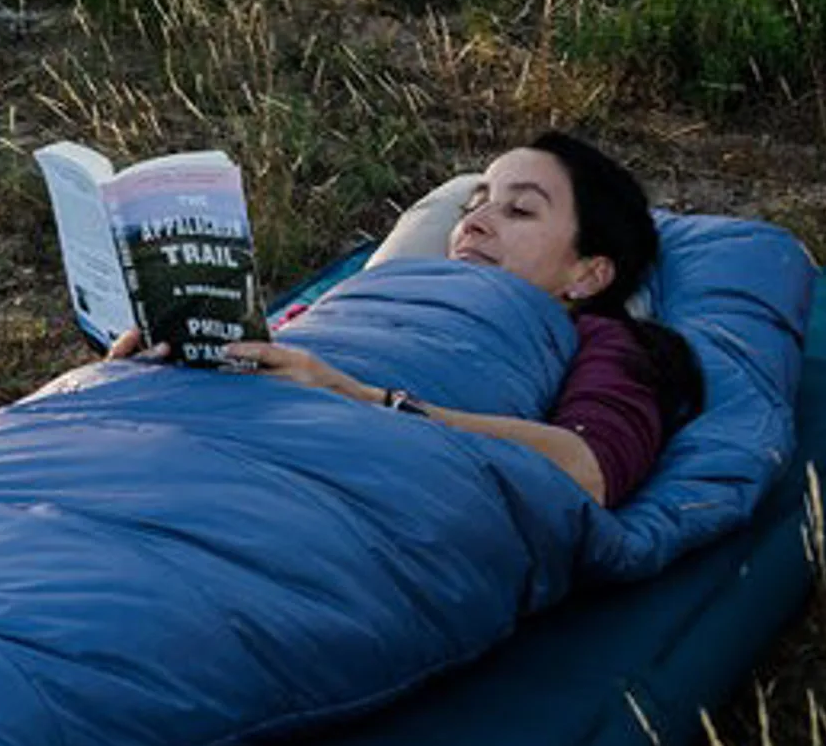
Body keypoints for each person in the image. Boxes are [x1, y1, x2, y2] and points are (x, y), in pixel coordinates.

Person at [108, 132, 704, 509]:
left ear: (589, 275)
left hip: (304, 478)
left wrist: (364, 398)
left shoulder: (599, 341)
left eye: (520, 210)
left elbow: (586, 471)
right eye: (474, 204)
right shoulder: (361, 295)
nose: (474, 222)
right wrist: (172, 361)